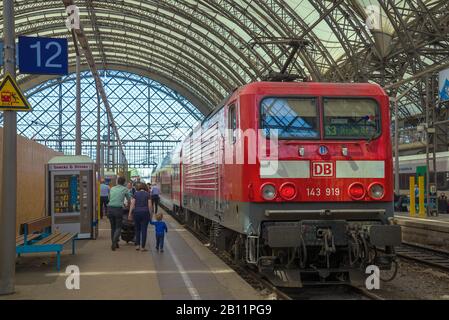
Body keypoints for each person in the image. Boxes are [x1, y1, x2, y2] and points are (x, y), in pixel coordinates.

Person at [107, 176, 130, 251]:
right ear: (124, 182)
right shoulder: (125, 189)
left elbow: (109, 198)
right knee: (118, 227)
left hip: (110, 209)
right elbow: (129, 199)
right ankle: (114, 242)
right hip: (118, 209)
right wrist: (128, 206)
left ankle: (115, 243)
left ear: (117, 182)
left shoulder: (112, 188)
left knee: (112, 227)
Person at [128, 183, 152, 251]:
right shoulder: (148, 194)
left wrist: (130, 213)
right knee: (144, 230)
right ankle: (143, 247)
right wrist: (150, 214)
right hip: (145, 213)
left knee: (137, 229)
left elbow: (132, 204)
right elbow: (150, 205)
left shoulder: (135, 194)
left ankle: (137, 245)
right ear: (145, 188)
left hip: (136, 213)